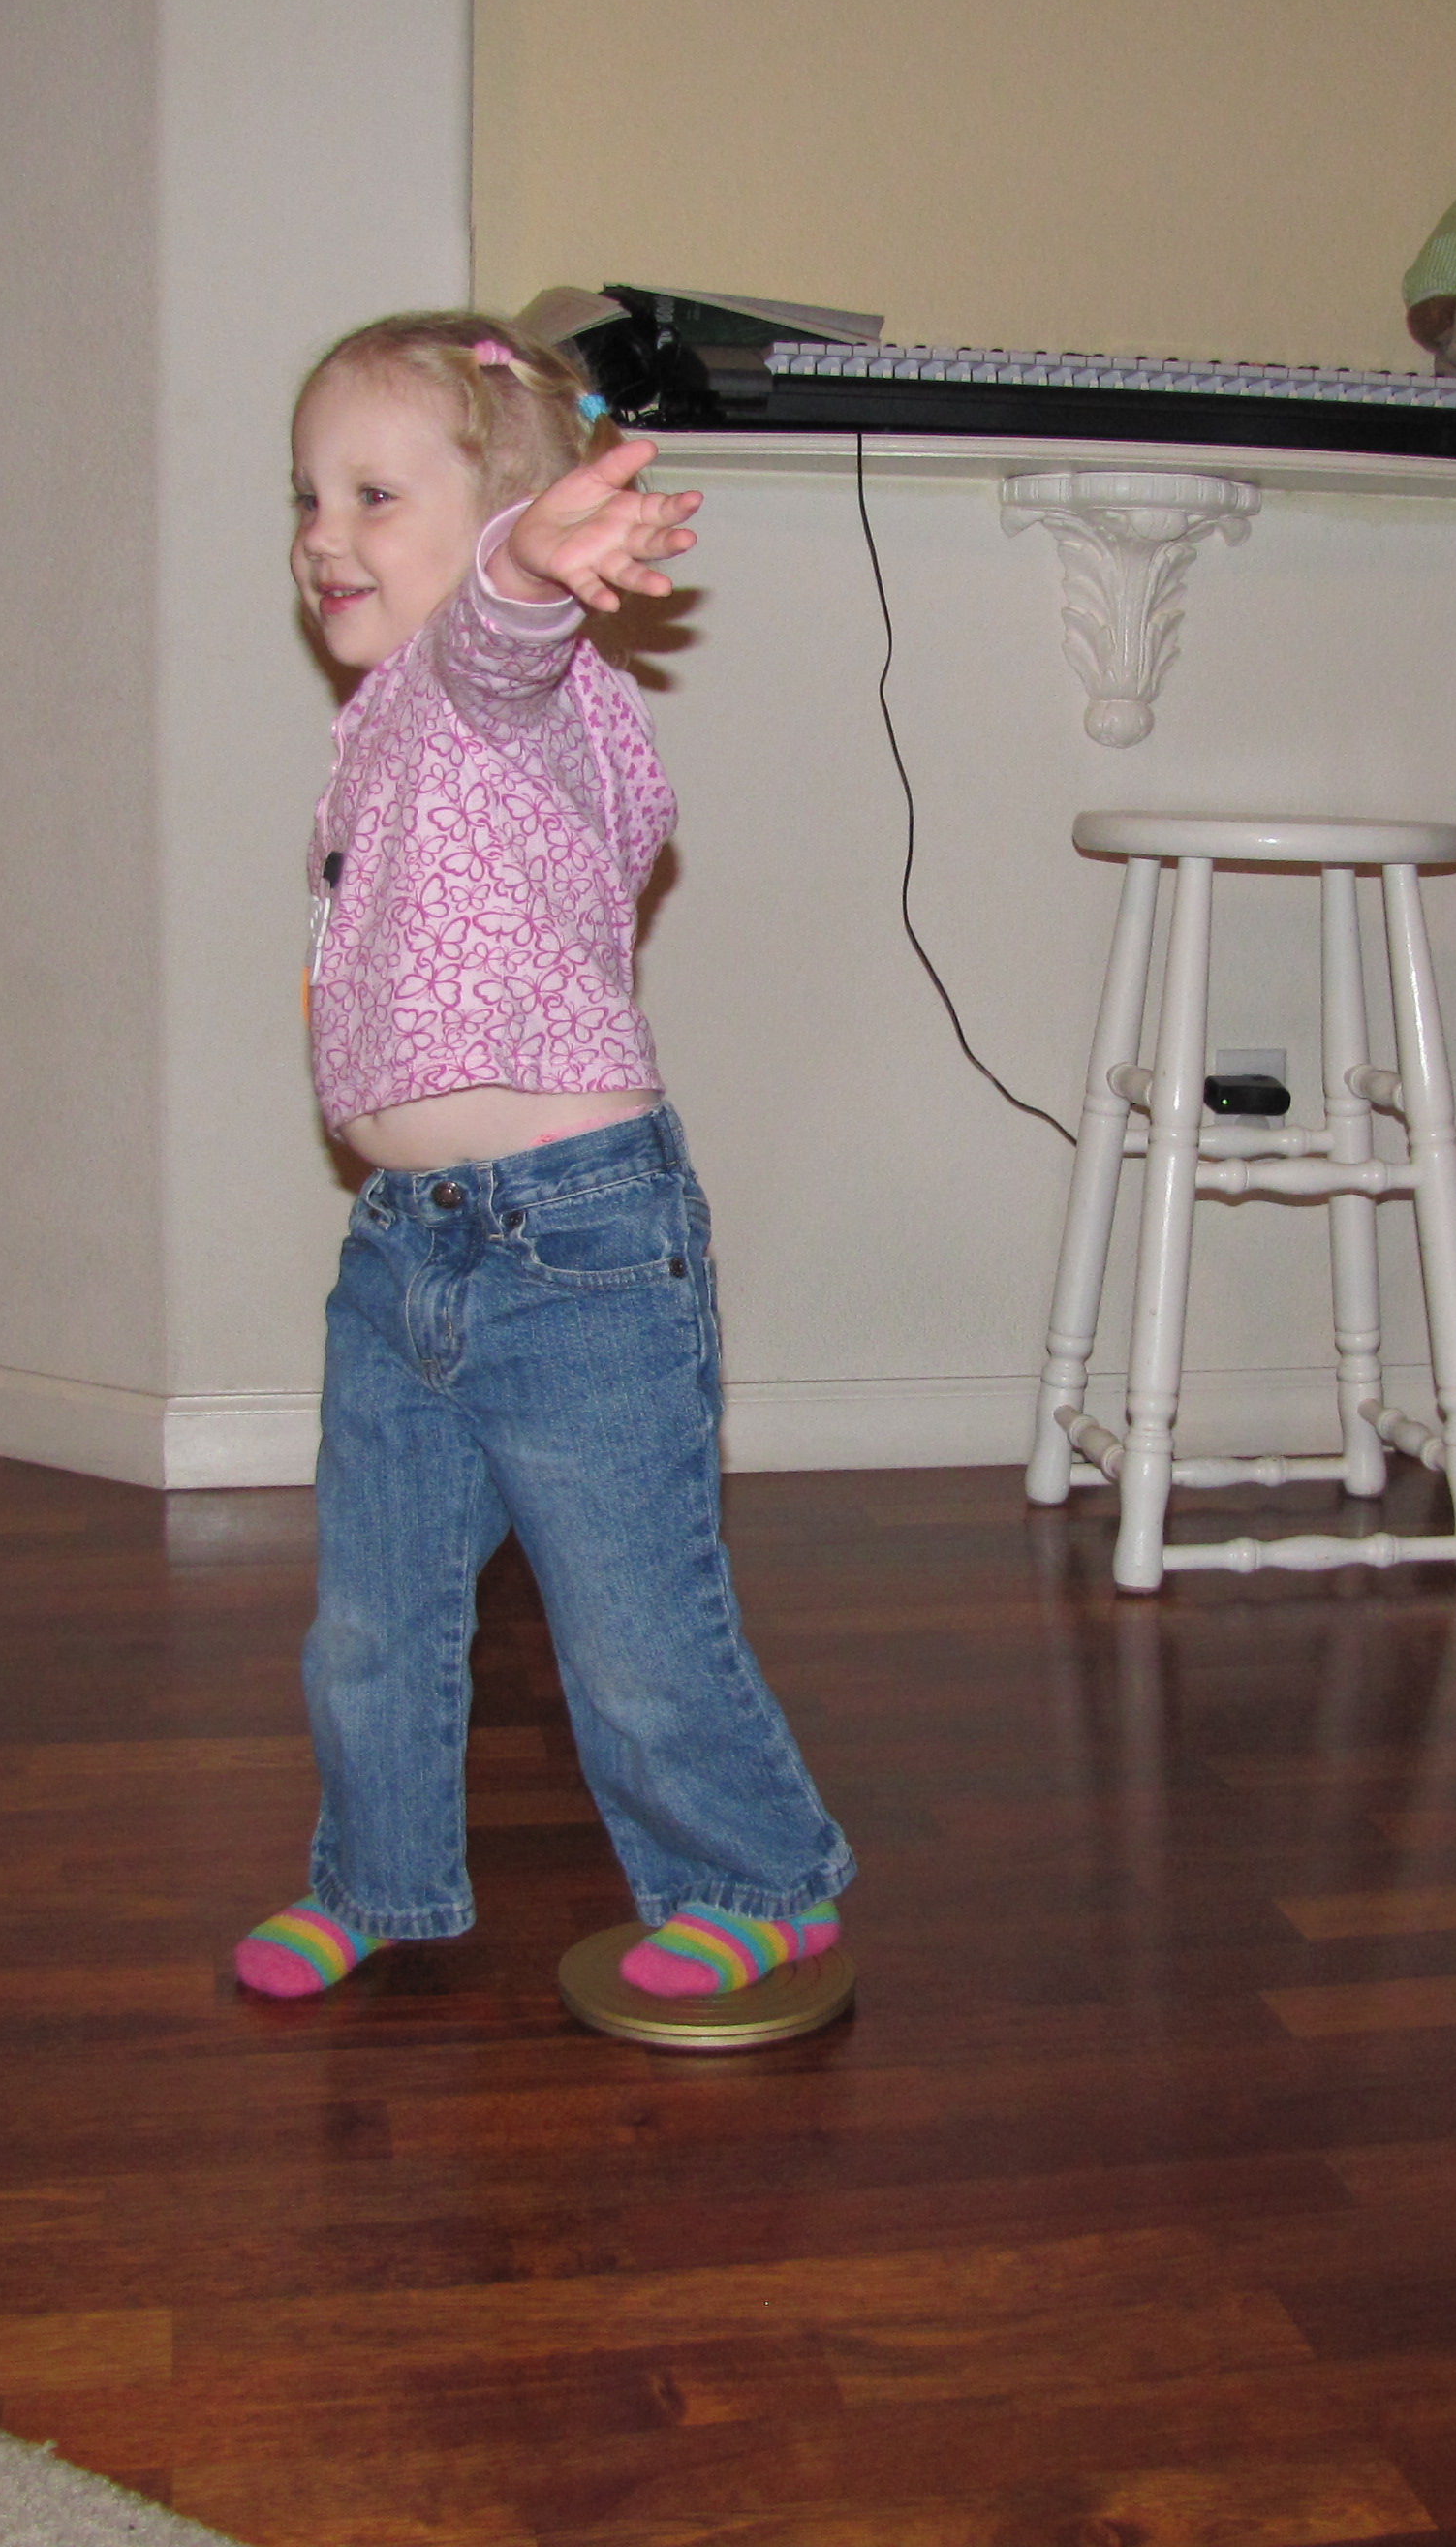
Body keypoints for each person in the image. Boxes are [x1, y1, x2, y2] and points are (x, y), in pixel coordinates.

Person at [231, 313, 853, 2007]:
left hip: (575, 1241)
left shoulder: (516, 689)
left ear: (515, 518)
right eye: (307, 495)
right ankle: (378, 1879)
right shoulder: (376, 730)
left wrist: (526, 560)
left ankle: (753, 1880)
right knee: (370, 1616)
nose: (323, 534)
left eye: (375, 493)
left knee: (634, 1620)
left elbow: (493, 633)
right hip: (405, 1246)